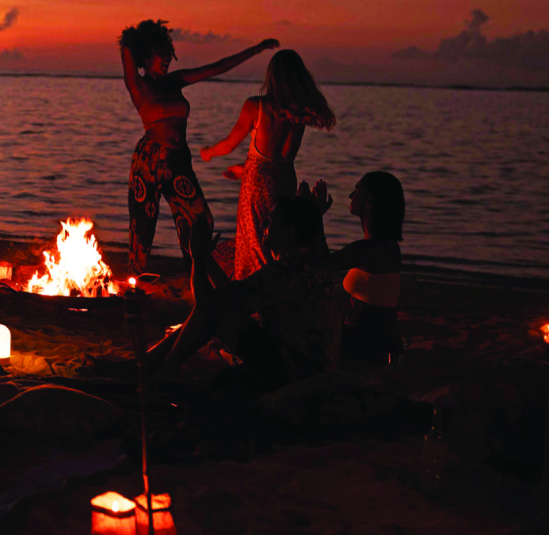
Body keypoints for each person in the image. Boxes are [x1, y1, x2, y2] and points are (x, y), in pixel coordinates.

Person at [143, 188, 343, 388]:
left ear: (289, 234)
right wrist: (205, 258)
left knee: (212, 311)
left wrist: (196, 257)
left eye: (271, 221)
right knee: (219, 308)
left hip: (296, 373)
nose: (263, 224)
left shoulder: (285, 270)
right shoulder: (307, 263)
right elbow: (229, 295)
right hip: (308, 365)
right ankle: (153, 362)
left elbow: (206, 303)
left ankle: (163, 368)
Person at [120, 19, 278, 272]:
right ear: (146, 56)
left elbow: (217, 67)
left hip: (179, 160)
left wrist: (256, 49)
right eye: (162, 53)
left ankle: (197, 275)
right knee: (142, 227)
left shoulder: (175, 81)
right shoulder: (138, 85)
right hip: (149, 161)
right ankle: (134, 283)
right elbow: (127, 46)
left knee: (200, 220)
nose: (168, 58)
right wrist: (139, 36)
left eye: (169, 53)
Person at [202, 50, 336, 278]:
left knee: (254, 240)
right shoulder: (298, 113)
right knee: (277, 237)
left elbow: (229, 145)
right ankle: (277, 281)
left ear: (272, 76)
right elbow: (274, 162)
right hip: (284, 179)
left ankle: (256, 288)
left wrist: (208, 152)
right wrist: (245, 170)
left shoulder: (257, 105)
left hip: (257, 185)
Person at [323, 171, 404, 363]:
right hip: (383, 344)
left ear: (369, 202)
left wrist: (316, 215)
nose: (350, 196)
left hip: (365, 347)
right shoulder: (389, 246)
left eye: (356, 191)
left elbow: (319, 264)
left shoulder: (367, 250)